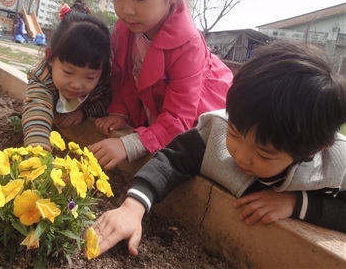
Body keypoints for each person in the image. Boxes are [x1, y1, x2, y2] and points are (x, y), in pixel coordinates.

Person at [93, 42, 346, 257]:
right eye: (234, 134)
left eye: (263, 153)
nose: (241, 156)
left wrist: (295, 202)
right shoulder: (216, 130)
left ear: (312, 150)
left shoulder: (334, 166)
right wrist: (132, 208)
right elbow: (171, 161)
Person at [88, 0, 233, 170]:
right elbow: (124, 77)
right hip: (157, 114)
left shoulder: (188, 44)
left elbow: (179, 118)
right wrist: (121, 112)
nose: (127, 10)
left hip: (193, 115)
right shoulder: (126, 28)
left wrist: (129, 144)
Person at [21, 2, 112, 151]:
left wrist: (83, 112)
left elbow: (107, 102)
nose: (77, 84)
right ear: (50, 57)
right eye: (68, 73)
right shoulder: (42, 79)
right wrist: (38, 152)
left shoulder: (102, 82)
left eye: (89, 77)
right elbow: (37, 112)